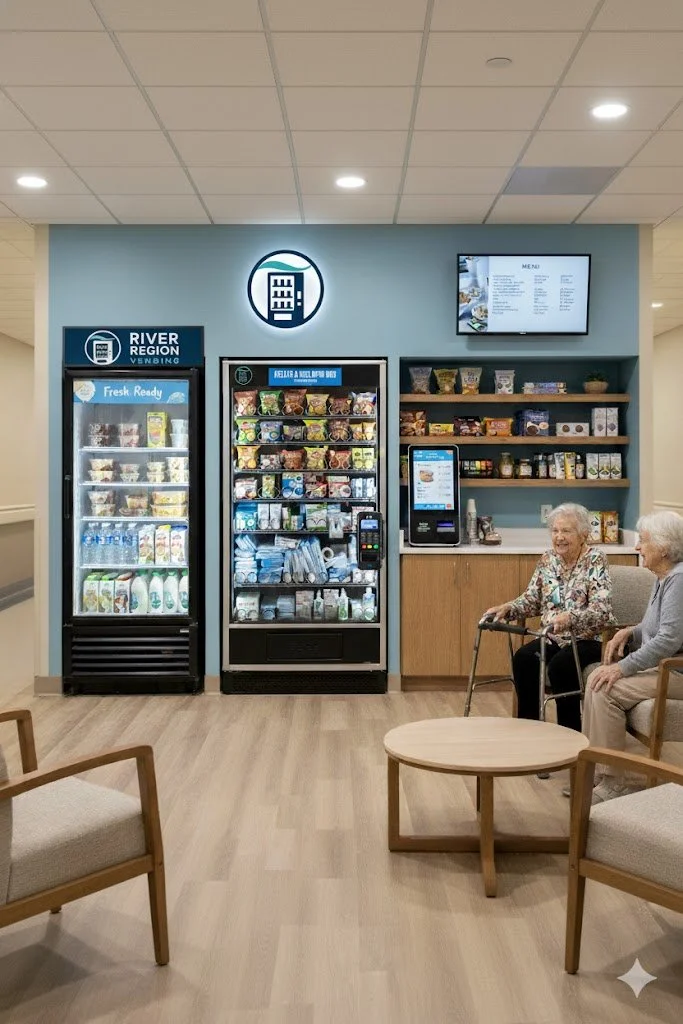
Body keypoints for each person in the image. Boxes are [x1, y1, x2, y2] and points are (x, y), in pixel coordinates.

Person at [486, 503, 614, 732]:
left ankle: (570, 733)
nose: (559, 537)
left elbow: (601, 610)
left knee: (561, 666)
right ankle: (531, 731)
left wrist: (571, 618)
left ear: (583, 535)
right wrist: (509, 608)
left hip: (589, 639)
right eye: (555, 531)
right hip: (553, 637)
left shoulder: (595, 560)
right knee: (524, 658)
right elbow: (532, 599)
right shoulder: (548, 560)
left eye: (566, 531)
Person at [584, 510, 683, 803]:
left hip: (676, 672)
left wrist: (622, 668)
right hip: (664, 668)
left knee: (604, 688)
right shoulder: (664, 577)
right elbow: (657, 627)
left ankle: (613, 781)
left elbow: (669, 639)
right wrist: (629, 631)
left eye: (644, 540)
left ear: (664, 547)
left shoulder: (678, 580)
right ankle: (596, 773)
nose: (638, 546)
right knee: (596, 679)